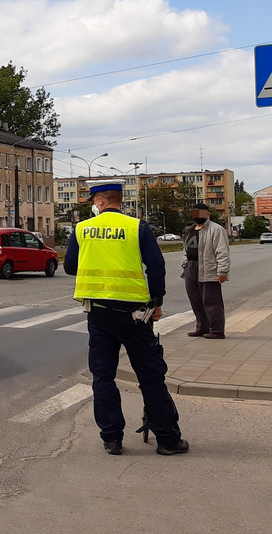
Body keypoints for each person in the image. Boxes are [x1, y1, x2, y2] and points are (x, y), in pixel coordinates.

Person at [65, 179, 188, 456]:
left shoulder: (82, 229)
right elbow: (156, 266)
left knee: (103, 376)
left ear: (99, 201)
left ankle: (112, 438)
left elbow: (71, 267)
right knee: (151, 376)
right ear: (121, 200)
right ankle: (167, 439)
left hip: (98, 313)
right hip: (135, 315)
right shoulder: (138, 228)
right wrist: (156, 301)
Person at [182, 203, 230, 339]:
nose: (197, 216)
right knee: (195, 300)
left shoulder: (216, 230)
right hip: (191, 268)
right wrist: (185, 264)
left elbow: (222, 252)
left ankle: (216, 330)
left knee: (211, 301)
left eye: (200, 213)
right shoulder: (190, 230)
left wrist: (222, 271)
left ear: (207, 214)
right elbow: (185, 249)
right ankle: (202, 327)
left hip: (209, 268)